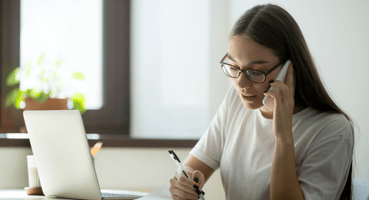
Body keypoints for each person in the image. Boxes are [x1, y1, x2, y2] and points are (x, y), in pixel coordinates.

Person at [168, 4, 355, 200]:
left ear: (289, 69)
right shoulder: (235, 101)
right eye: (233, 66)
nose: (240, 83)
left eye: (255, 72)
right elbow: (192, 167)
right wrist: (184, 183)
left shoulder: (332, 129)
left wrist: (283, 136)